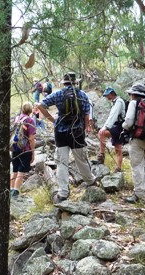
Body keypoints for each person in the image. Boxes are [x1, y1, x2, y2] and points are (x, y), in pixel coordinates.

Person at [35, 72, 97, 203]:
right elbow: (86, 115)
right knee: (81, 159)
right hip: (77, 132)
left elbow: (40, 105)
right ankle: (90, 181)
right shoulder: (82, 94)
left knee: (62, 162)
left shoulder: (58, 94)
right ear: (75, 82)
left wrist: (53, 120)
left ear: (64, 83)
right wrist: (85, 128)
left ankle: (63, 193)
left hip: (61, 133)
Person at [121, 83, 145, 204]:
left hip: (138, 139)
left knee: (137, 166)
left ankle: (138, 195)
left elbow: (129, 122)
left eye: (130, 94)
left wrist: (123, 126)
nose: (130, 96)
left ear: (133, 94)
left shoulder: (134, 103)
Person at [95, 86, 126, 173]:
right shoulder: (115, 102)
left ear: (112, 94)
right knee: (118, 148)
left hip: (119, 126)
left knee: (101, 133)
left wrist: (105, 127)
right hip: (118, 126)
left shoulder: (119, 102)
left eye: (108, 95)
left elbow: (113, 116)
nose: (107, 97)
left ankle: (101, 156)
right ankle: (118, 168)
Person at [10, 103, 36, 198]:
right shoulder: (30, 121)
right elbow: (31, 139)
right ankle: (16, 192)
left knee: (14, 170)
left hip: (15, 147)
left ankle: (11, 189)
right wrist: (32, 153)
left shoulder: (17, 118)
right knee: (21, 171)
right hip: (25, 149)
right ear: (30, 110)